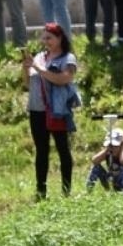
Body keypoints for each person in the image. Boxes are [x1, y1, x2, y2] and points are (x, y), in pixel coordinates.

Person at [25, 22, 78, 198]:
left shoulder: (67, 58)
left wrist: (38, 68)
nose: (45, 41)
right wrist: (26, 69)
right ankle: (41, 190)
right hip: (36, 109)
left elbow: (64, 79)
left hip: (57, 110)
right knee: (41, 150)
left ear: (60, 38)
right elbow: (29, 83)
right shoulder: (39, 57)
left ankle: (66, 190)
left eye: (49, 37)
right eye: (44, 37)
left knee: (63, 148)